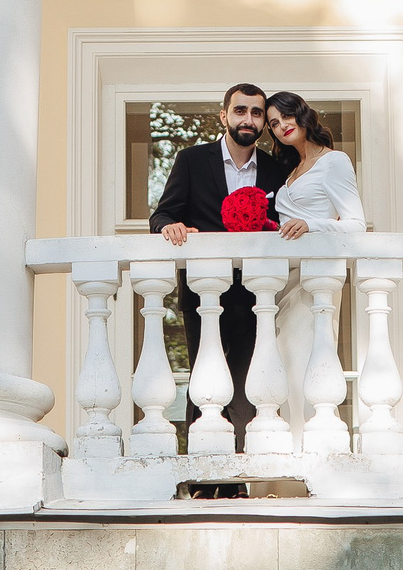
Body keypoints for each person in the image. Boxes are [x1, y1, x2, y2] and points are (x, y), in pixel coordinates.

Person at [149, 82, 297, 449]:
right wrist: (169, 225)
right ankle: (200, 466)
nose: (248, 119)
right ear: (224, 115)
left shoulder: (276, 169)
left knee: (249, 382)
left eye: (257, 113)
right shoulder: (192, 160)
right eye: (240, 110)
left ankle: (245, 466)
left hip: (257, 293)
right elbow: (162, 213)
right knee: (205, 380)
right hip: (203, 291)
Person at [266, 89, 364, 452]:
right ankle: (286, 458)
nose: (281, 126)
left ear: (302, 114)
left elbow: (356, 225)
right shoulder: (290, 170)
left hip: (314, 279)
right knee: (283, 368)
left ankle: (316, 452)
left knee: (307, 363)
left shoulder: (334, 161)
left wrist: (313, 225)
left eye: (286, 116)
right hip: (281, 282)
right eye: (273, 123)